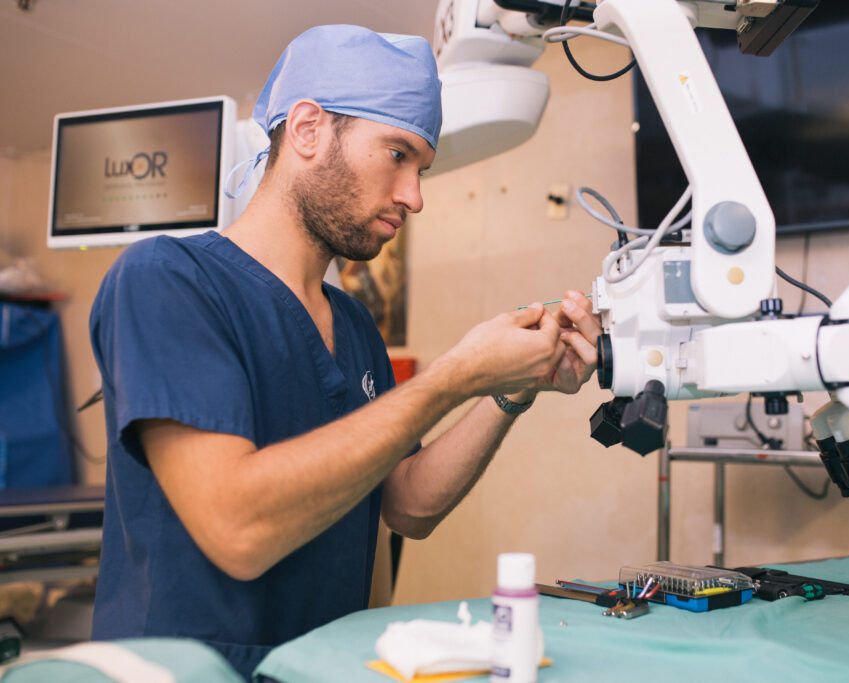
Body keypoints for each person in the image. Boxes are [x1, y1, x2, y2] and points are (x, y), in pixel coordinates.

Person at [88, 25, 602, 677]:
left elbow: (407, 504)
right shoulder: (167, 279)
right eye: (397, 154)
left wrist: (506, 389)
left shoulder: (354, 325)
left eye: (422, 169)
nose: (415, 196)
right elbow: (238, 529)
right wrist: (451, 377)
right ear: (306, 129)